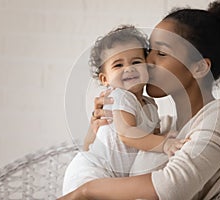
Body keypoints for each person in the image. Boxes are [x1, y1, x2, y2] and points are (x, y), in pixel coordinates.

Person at [58, 1, 220, 199]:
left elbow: (173, 188)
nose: (147, 62)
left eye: (161, 53)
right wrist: (99, 129)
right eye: (148, 52)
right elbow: (102, 158)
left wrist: (87, 191)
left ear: (199, 67)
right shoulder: (160, 127)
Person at [62, 25, 185, 195]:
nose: (129, 68)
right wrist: (165, 144)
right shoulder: (120, 97)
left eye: (136, 62)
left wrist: (162, 138)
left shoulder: (150, 105)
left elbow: (150, 140)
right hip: (92, 172)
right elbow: (127, 133)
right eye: (118, 65)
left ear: (147, 68)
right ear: (105, 79)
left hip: (114, 178)